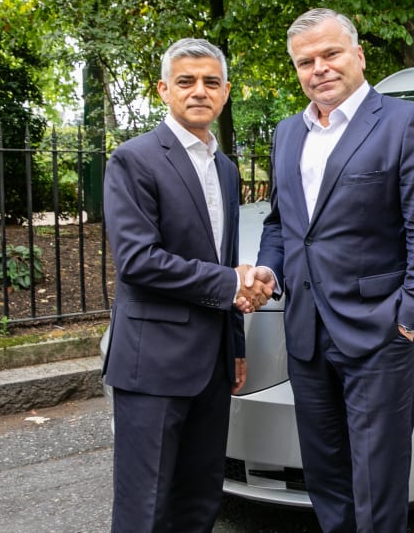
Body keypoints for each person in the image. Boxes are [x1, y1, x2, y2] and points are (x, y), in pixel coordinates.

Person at [245, 8, 414, 533]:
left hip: (379, 333)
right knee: (326, 476)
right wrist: (270, 270)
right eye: (305, 61)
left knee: (378, 480)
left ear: (358, 55)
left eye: (330, 54)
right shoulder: (287, 134)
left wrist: (408, 321)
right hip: (307, 334)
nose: (318, 68)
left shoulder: (407, 123)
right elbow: (282, 222)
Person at [102, 37, 272, 532]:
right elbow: (138, 261)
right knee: (145, 508)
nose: (200, 91)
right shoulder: (133, 160)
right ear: (163, 89)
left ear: (225, 92)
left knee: (200, 501)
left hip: (212, 366)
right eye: (186, 81)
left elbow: (225, 261)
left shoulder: (226, 168)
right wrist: (231, 280)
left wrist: (235, 346)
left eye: (211, 82)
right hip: (152, 364)